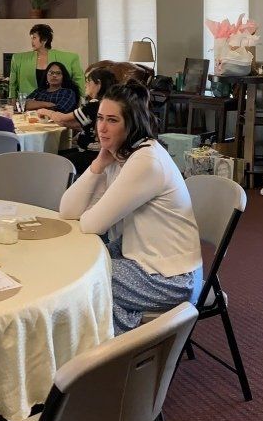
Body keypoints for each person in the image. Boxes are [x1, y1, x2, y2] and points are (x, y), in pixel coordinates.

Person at [58, 83, 203, 333]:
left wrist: (93, 207)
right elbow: (68, 212)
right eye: (100, 118)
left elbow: (93, 224)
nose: (101, 128)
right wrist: (98, 164)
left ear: (131, 124)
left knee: (77, 281)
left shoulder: (146, 160)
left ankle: (114, 353)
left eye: (112, 120)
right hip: (139, 257)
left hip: (170, 278)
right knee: (72, 266)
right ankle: (121, 349)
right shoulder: (121, 154)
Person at [50, 64, 115, 175]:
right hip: (96, 153)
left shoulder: (94, 104)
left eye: (88, 81)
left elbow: (62, 119)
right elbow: (78, 124)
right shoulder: (110, 101)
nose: (85, 85)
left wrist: (45, 112)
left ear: (98, 84)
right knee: (56, 155)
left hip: (91, 155)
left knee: (51, 160)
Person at [5, 23, 82, 99]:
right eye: (31, 38)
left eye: (34, 38)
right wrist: (13, 100)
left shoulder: (70, 58)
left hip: (56, 100)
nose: (32, 41)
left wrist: (81, 99)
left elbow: (79, 80)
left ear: (44, 40)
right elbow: (13, 84)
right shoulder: (18, 59)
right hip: (29, 103)